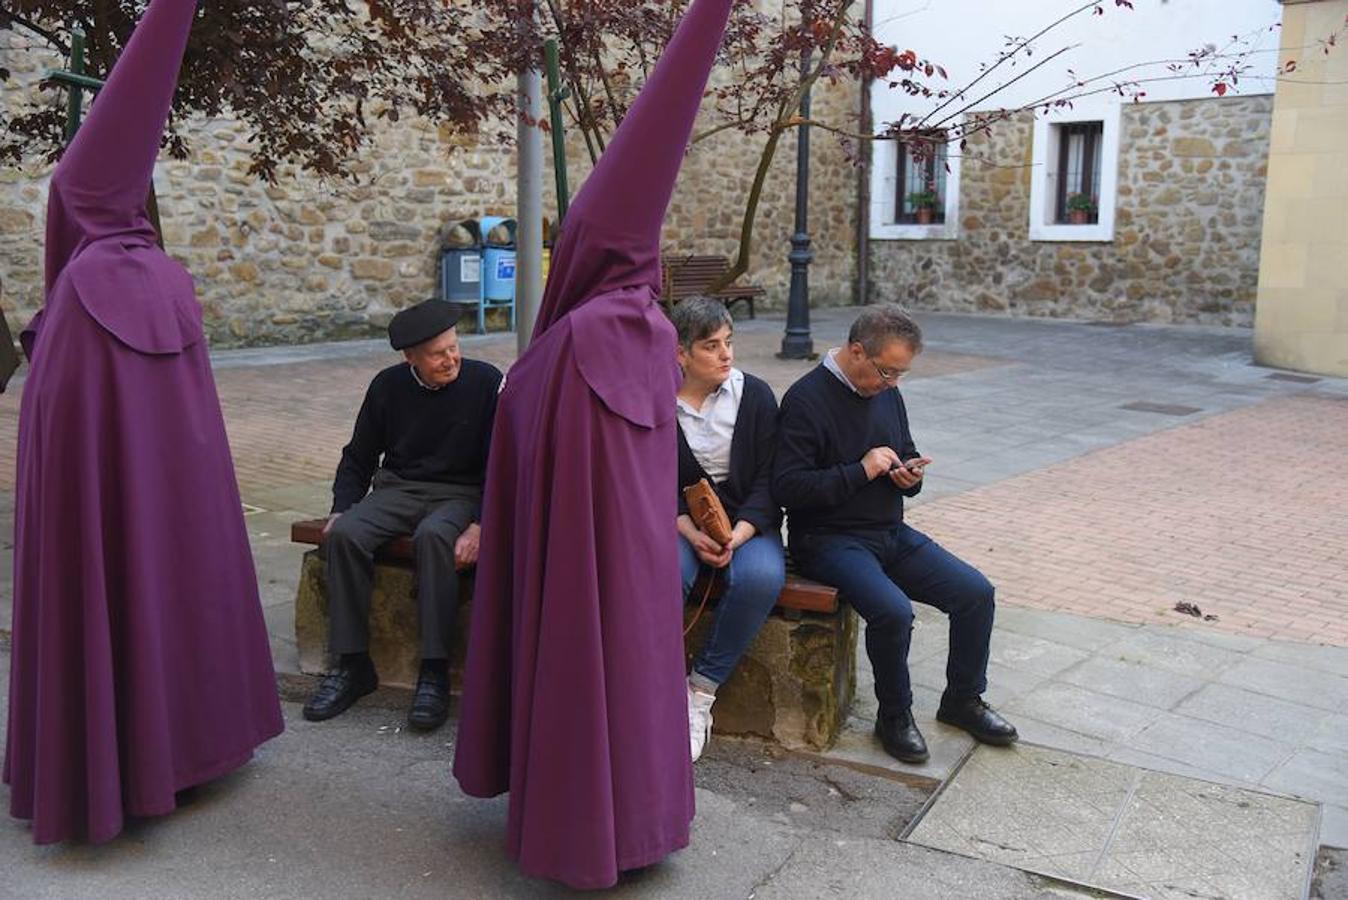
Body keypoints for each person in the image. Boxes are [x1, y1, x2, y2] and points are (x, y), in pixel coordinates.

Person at [452, 0, 734, 888]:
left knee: (580, 666)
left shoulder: (577, 340)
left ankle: (577, 828)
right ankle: (636, 822)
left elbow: (527, 423)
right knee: (631, 666)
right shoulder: (647, 329)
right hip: (635, 555)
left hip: (578, 553)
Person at [5, 0, 283, 844]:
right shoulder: (166, 279)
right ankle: (191, 746)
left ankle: (111, 762)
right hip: (174, 503)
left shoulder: (83, 295)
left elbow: (62, 442)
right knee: (177, 574)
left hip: (106, 487)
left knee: (112, 580)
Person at [772, 304, 1018, 765]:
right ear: (857, 351)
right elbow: (789, 488)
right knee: (891, 612)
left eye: (901, 374)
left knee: (975, 593)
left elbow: (903, 449)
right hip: (827, 540)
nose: (892, 384)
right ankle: (894, 716)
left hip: (888, 531)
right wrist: (861, 470)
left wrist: (909, 475)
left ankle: (962, 701)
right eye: (887, 371)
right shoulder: (806, 400)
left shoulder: (886, 391)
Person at [302, 300, 500, 732]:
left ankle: (434, 670)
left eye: (453, 347)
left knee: (434, 538)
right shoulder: (387, 387)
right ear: (411, 358)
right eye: (437, 353)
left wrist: (482, 523)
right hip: (399, 488)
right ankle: (352, 663)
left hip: (459, 494)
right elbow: (358, 457)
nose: (451, 358)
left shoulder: (486, 382)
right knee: (345, 535)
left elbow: (501, 463)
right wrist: (342, 507)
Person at [672, 297, 784, 761]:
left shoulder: (754, 395)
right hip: (677, 522)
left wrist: (739, 533)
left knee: (760, 578)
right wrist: (686, 529)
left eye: (729, 343)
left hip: (747, 522)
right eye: (711, 346)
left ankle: (700, 692)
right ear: (680, 353)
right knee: (657, 575)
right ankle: (657, 689)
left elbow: (771, 478)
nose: (726, 355)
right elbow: (646, 479)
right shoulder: (656, 402)